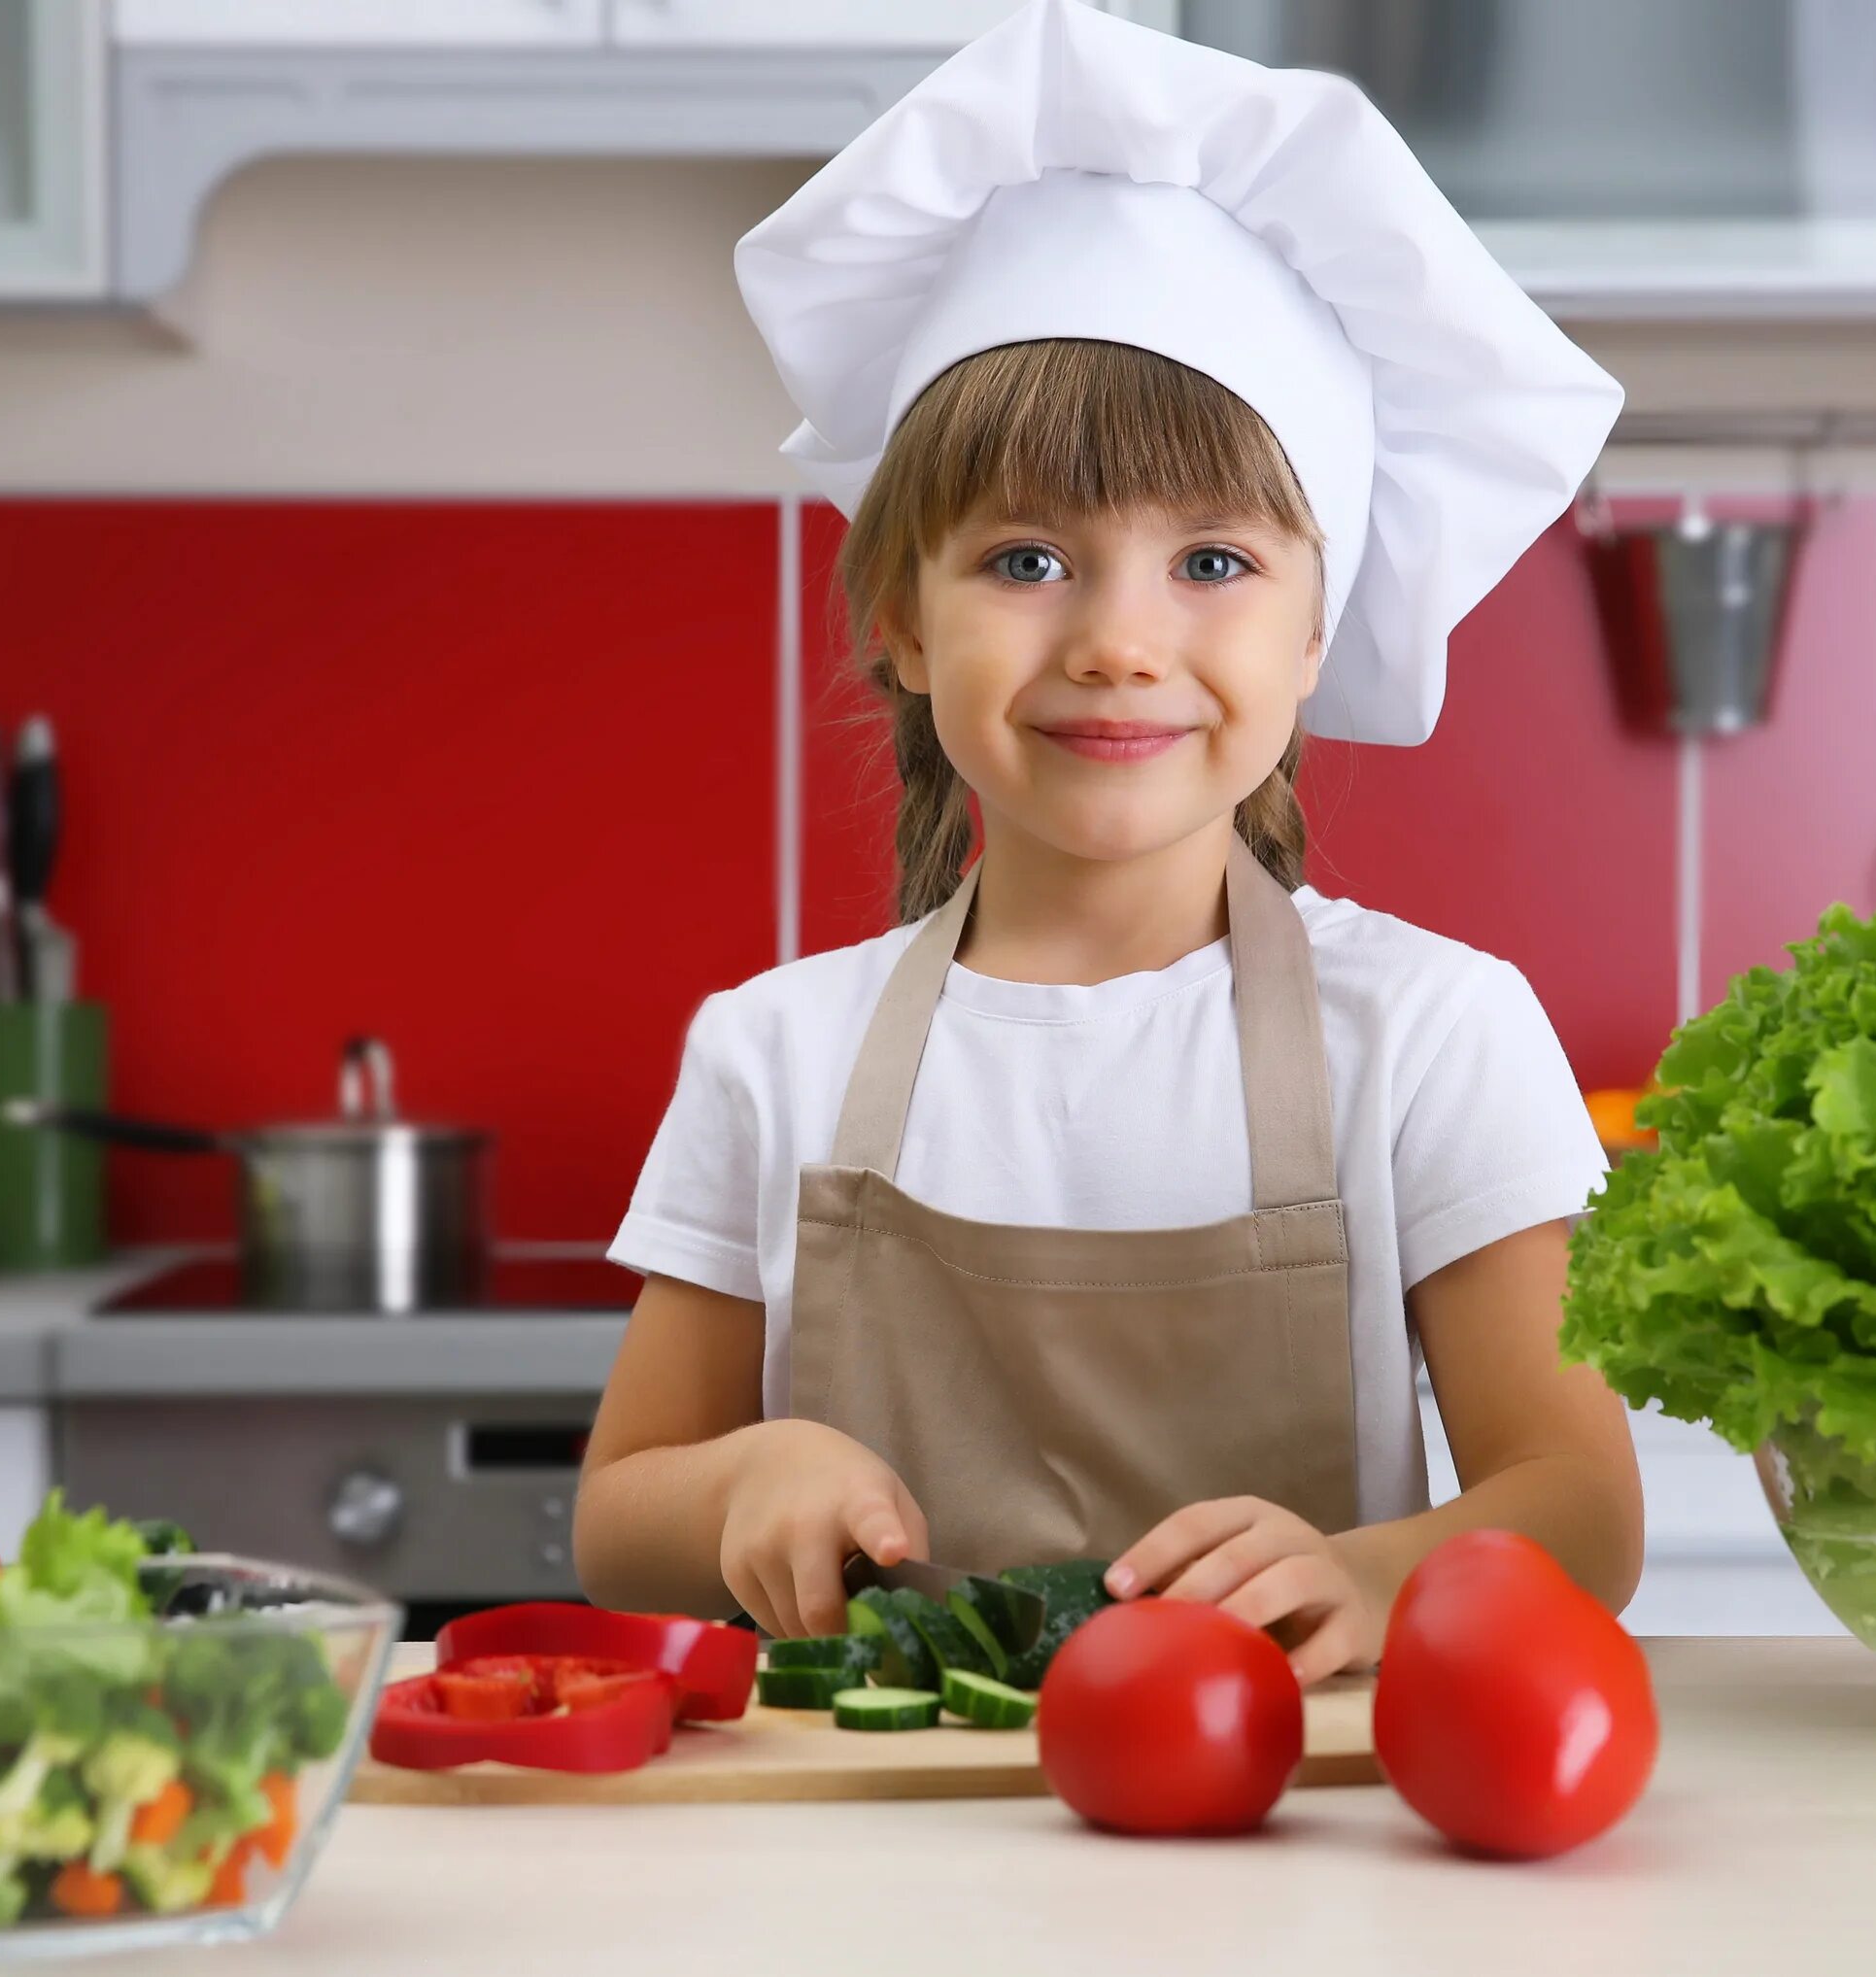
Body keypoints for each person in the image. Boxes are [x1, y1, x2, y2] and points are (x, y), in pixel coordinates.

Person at [574, 0, 1642, 1683]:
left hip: (1290, 1854)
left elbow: (1579, 1503)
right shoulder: (774, 1051)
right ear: (903, 622)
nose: (1118, 642)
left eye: (1213, 563)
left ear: (1316, 633)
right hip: (872, 1874)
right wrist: (737, 1482)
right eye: (1024, 560)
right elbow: (617, 1509)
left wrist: (1369, 1575)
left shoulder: (1435, 1036)